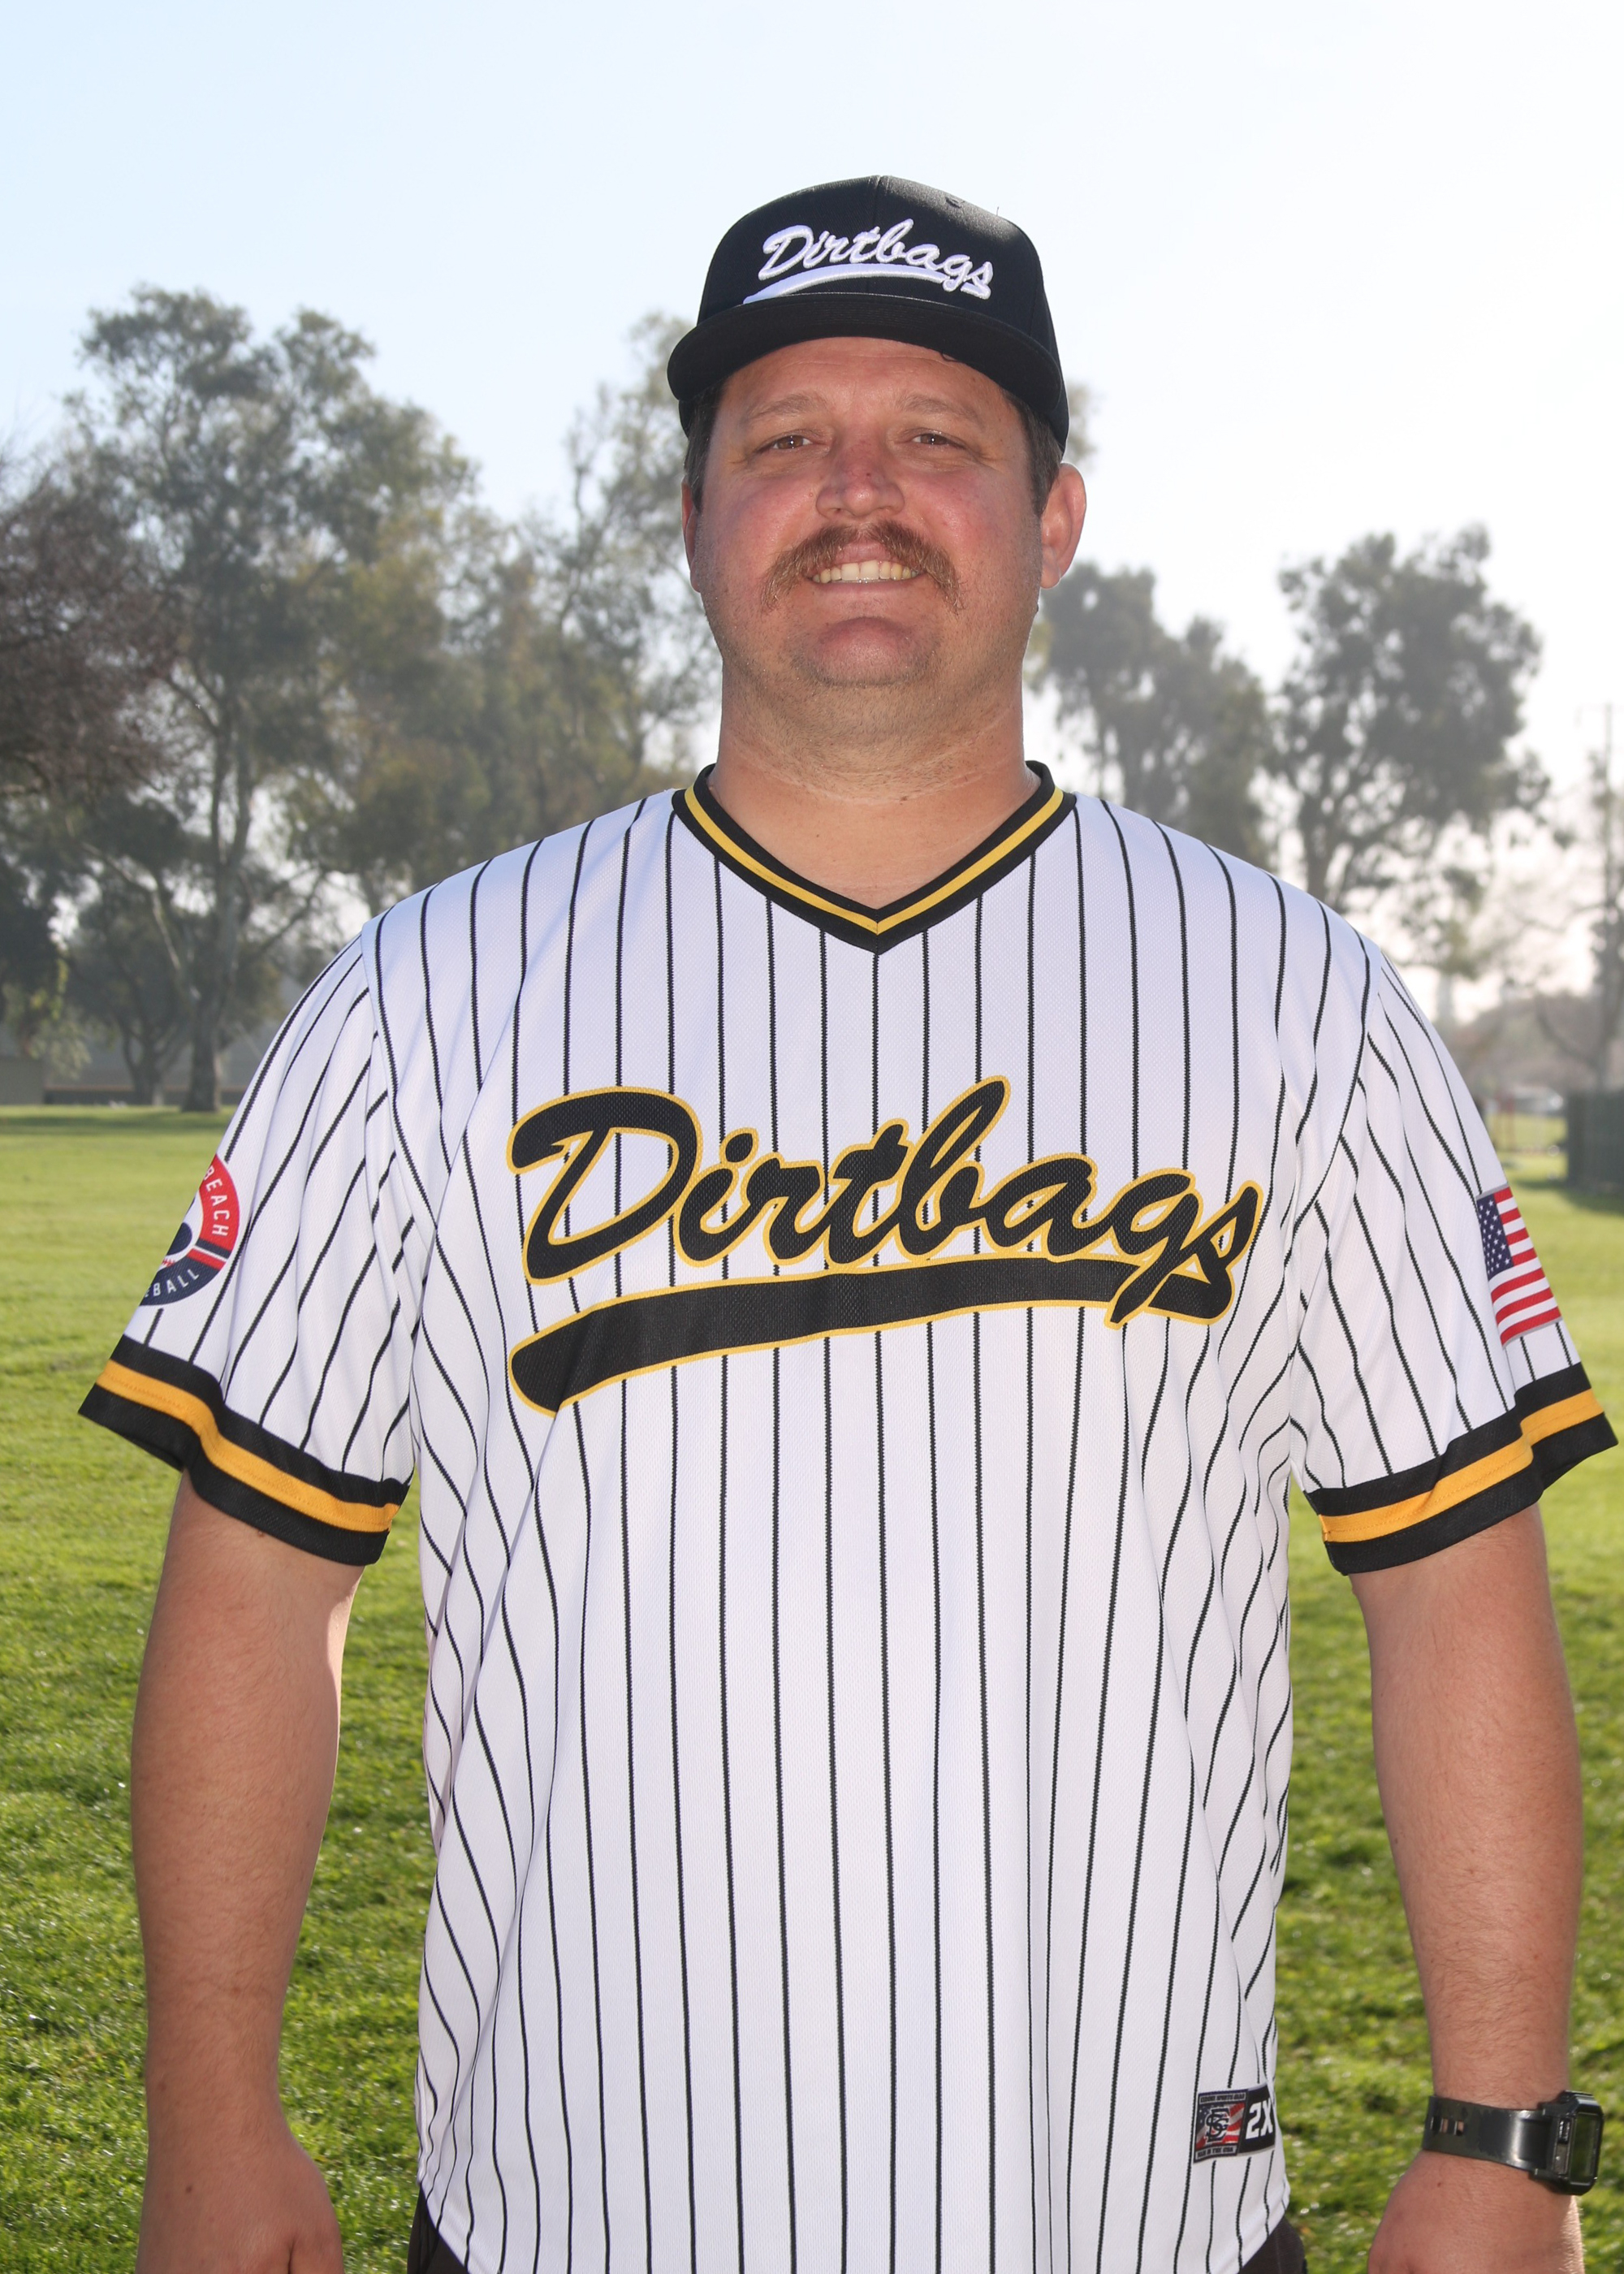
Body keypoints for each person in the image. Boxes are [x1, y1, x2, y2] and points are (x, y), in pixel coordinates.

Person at [85, 176, 1613, 2274]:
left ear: (1054, 520)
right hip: (568, 2210)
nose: (859, 492)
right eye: (787, 437)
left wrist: (1507, 2141)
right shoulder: (426, 995)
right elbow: (258, 1584)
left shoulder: (1296, 1000)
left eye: (937, 438)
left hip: (1137, 2216)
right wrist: (208, 2114)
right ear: (693, 517)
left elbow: (1453, 1589)